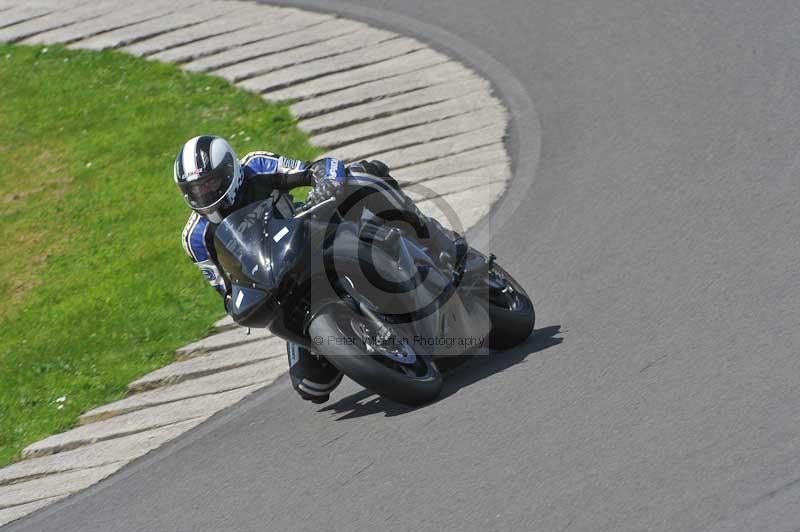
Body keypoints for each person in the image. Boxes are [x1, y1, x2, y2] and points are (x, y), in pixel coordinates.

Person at [174, 135, 463, 403]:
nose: (205, 193)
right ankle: (375, 342)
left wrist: (325, 181)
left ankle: (436, 238)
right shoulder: (195, 238)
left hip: (310, 238)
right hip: (281, 283)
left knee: (362, 177)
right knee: (311, 386)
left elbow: (318, 168)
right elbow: (225, 289)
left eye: (211, 183)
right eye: (196, 189)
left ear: (230, 172)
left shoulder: (255, 166)